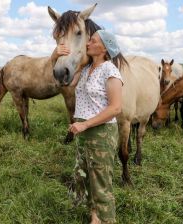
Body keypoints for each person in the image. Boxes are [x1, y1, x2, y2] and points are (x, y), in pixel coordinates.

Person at [53, 30, 128, 224]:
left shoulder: (110, 71)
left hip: (101, 133)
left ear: (104, 48)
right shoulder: (86, 70)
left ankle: (106, 219)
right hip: (84, 131)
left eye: (92, 41)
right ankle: (95, 215)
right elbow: (63, 83)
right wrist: (56, 56)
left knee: (101, 180)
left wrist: (85, 124)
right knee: (85, 175)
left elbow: (116, 108)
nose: (87, 43)